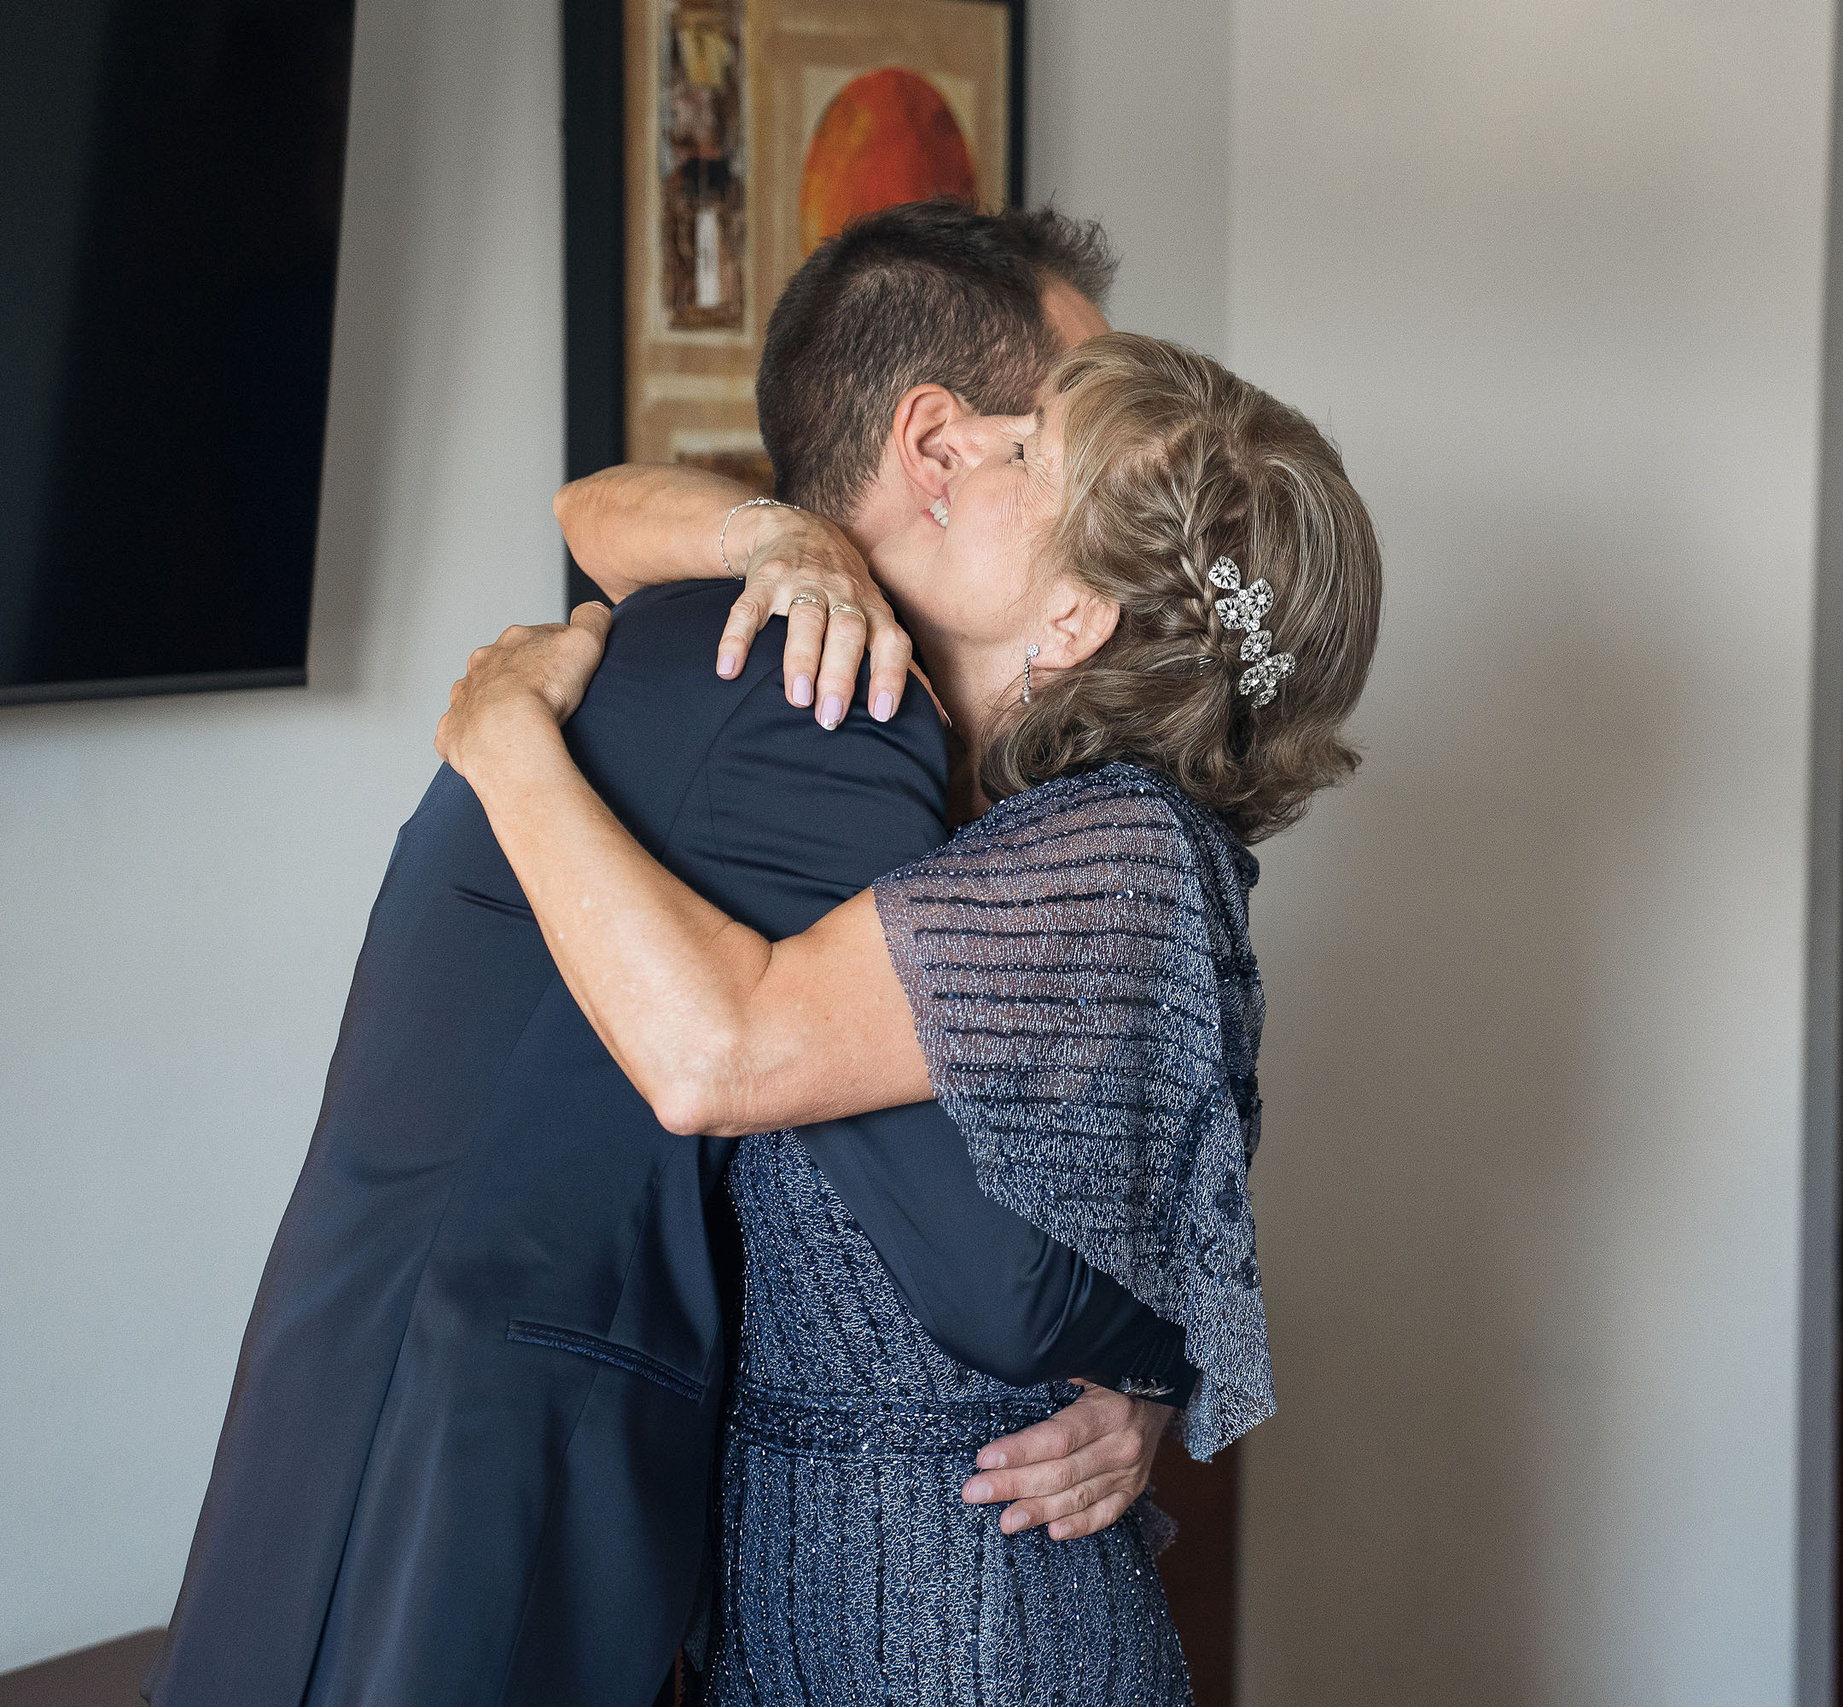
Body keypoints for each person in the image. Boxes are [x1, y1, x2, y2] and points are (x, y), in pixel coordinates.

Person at [149, 202, 1191, 1707]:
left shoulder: (692, 637)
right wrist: (1146, 1360)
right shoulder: (832, 701)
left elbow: (591, 507)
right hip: (482, 1469)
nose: (1111, 494)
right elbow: (963, 1237)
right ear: (943, 448)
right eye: (1073, 445)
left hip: (355, 1403)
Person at [433, 329, 1382, 1704]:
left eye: (1024, 451)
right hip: (802, 1599)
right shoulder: (973, 777)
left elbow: (715, 1053)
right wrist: (782, 538)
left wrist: (505, 747)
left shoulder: (1116, 849)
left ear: (1072, 621)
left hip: (966, 1634)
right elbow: (598, 515)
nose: (961, 448)